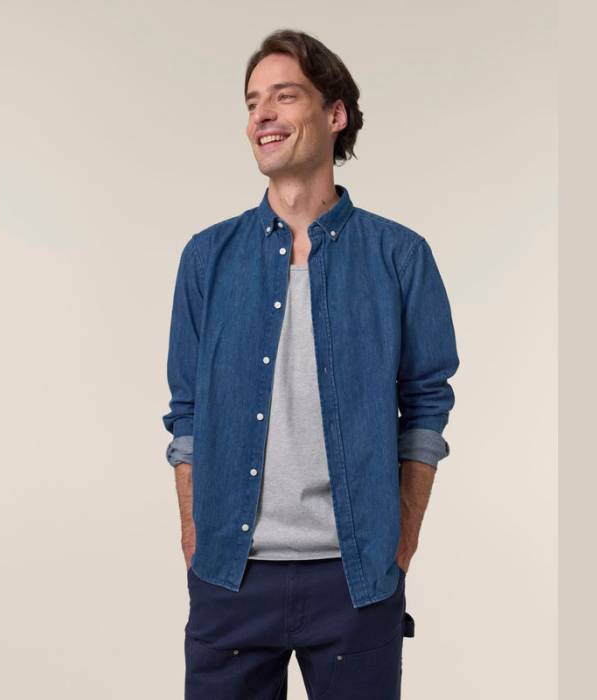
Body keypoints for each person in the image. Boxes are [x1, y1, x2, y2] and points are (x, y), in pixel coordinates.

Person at [162, 28, 459, 700]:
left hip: (355, 580)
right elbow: (187, 413)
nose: (261, 116)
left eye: (284, 96)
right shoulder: (207, 259)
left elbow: (427, 402)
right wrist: (194, 536)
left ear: (335, 114)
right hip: (229, 576)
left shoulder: (399, 256)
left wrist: (401, 539)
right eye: (252, 102)